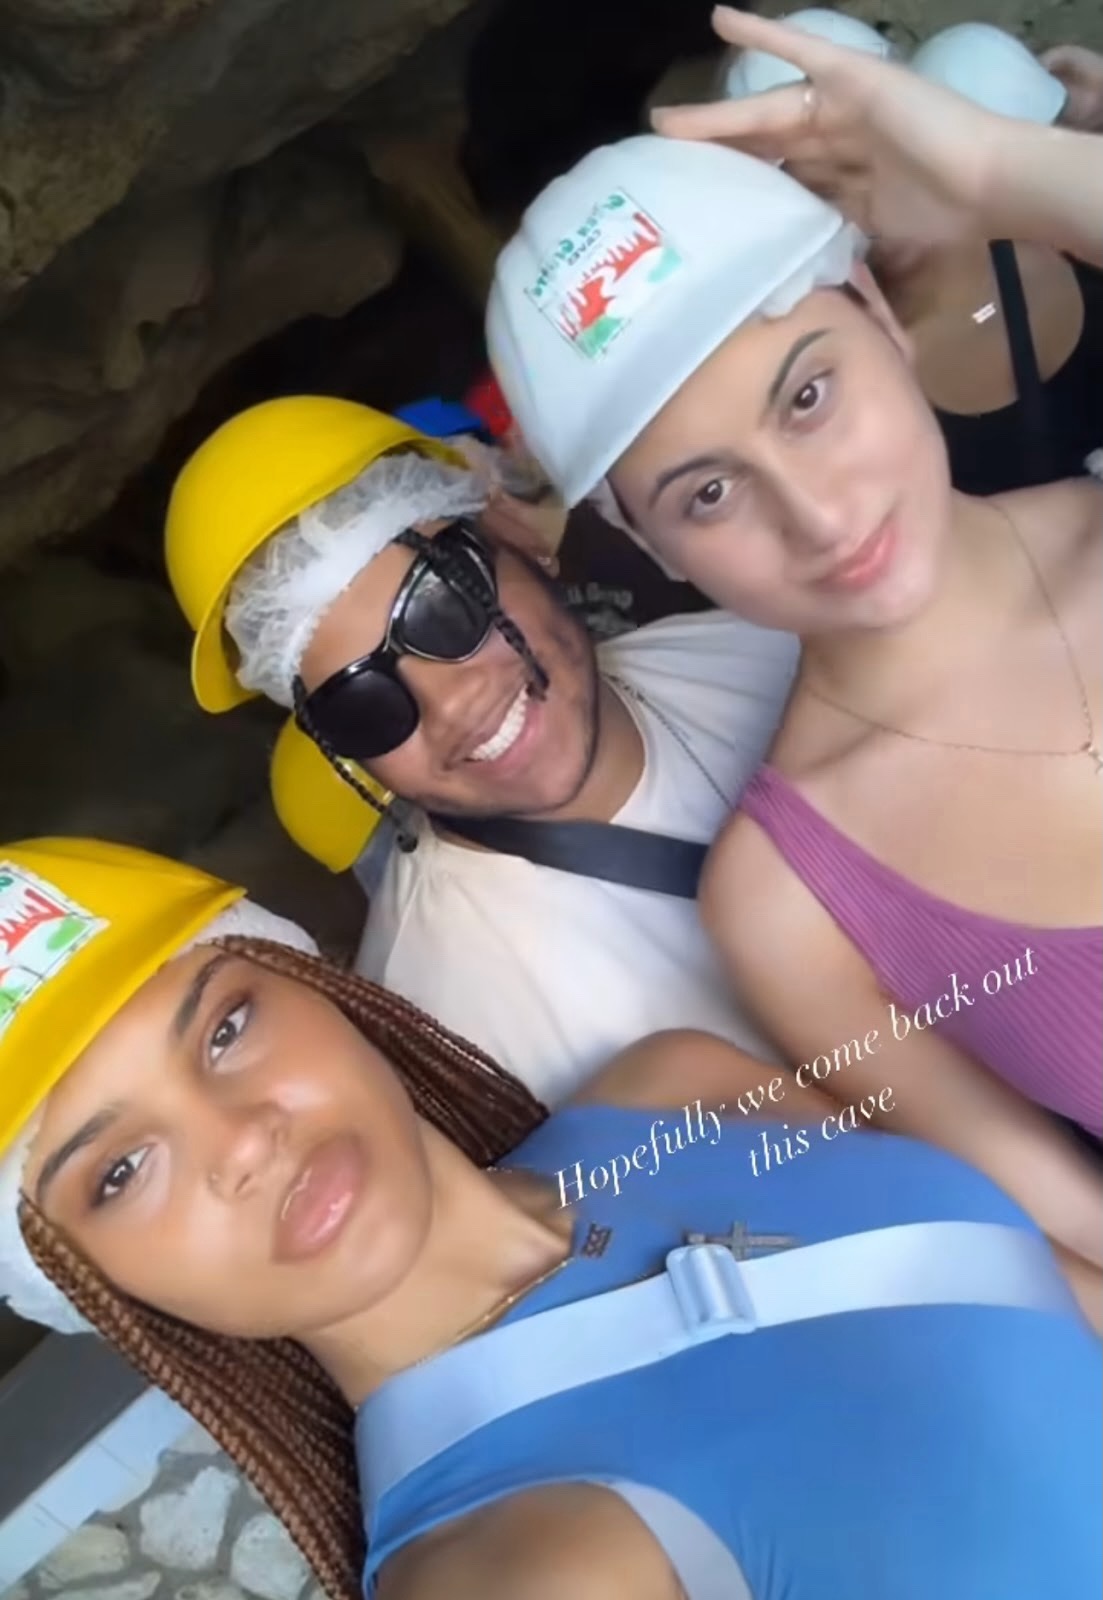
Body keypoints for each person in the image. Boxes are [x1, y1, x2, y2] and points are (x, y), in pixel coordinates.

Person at [1, 840, 1099, 1600]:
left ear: (315, 985)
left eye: (227, 1027)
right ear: (85, 1285)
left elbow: (1050, 1284)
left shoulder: (670, 1089)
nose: (244, 1140)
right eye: (120, 1170)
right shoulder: (510, 1569)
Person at [486, 9, 1103, 1263]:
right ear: (650, 545)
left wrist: (1004, 170)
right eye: (708, 493)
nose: (817, 518)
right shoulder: (786, 903)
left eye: (807, 395)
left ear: (876, 310)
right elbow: (1068, 1232)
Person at [164, 398, 797, 1104]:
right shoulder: (467, 1045)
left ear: (513, 533)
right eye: (362, 702)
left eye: (442, 607)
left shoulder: (771, 652)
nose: (450, 706)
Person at [724, 12, 1103, 495]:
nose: (870, 207)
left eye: (871, 153)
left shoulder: (1045, 205)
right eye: (820, 193)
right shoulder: (854, 392)